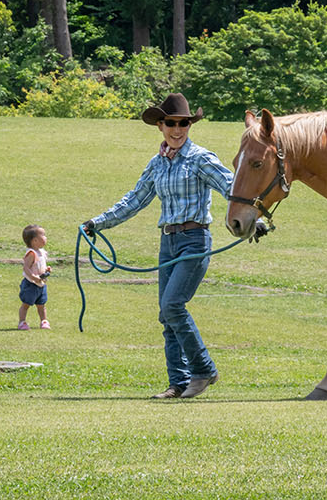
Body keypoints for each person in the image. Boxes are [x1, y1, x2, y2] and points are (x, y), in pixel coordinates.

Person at [82, 93, 234, 400]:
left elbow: (233, 188)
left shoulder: (202, 158)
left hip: (195, 240)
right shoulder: (156, 164)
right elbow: (134, 200)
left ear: (190, 125)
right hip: (168, 243)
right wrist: (97, 223)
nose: (177, 130)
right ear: (160, 126)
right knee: (167, 316)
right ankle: (178, 383)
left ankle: (203, 370)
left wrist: (254, 217)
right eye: (171, 124)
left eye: (183, 124)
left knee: (172, 305)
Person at [19, 224, 51, 329]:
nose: (46, 237)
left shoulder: (41, 252)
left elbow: (39, 265)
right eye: (43, 235)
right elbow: (26, 268)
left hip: (41, 284)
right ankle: (22, 322)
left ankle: (44, 321)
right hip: (31, 284)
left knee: (41, 305)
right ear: (35, 241)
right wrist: (33, 277)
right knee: (26, 304)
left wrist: (46, 270)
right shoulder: (31, 253)